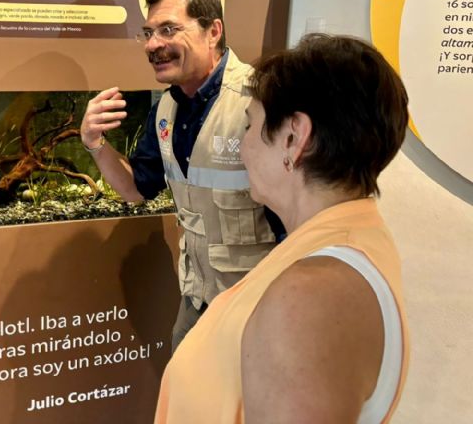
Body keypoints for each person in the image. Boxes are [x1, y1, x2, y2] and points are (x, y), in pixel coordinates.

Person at [155, 33, 411, 423]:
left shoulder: (311, 296)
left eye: (249, 127)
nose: (242, 149)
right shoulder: (343, 242)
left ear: (293, 138)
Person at [80, 0, 280, 352]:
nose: (153, 44)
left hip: (255, 309)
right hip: (196, 301)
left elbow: (297, 223)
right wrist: (95, 143)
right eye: (148, 32)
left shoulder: (259, 102)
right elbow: (135, 189)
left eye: (169, 29)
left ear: (213, 31)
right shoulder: (167, 109)